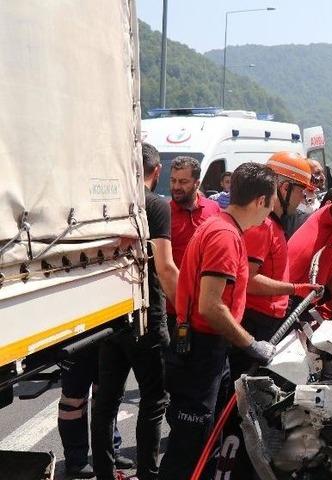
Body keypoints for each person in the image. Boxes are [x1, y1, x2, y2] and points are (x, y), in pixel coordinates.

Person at [159, 162, 278, 479]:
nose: (270, 212)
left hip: (208, 349)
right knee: (189, 447)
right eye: (272, 203)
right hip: (201, 349)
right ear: (260, 201)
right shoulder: (225, 236)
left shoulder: (222, 227)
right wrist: (252, 344)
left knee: (205, 441)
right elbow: (211, 306)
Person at [91, 143, 177, 480]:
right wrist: (184, 309)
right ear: (156, 172)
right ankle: (148, 473)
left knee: (106, 402)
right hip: (146, 315)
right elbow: (166, 267)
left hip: (109, 316)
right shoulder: (155, 206)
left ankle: (103, 472)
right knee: (154, 401)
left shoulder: (106, 205)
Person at [228, 152, 322, 380]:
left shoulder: (275, 225)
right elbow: (248, 281)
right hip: (257, 323)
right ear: (284, 188)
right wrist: (294, 289)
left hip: (267, 321)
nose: (302, 199)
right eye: (301, 191)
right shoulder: (264, 226)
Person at [57, 350, 130, 479]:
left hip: (104, 340)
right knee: (73, 402)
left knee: (105, 398)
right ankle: (76, 461)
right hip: (78, 343)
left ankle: (111, 452)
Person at [166, 156, 220, 329]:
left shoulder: (214, 209)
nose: (176, 187)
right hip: (172, 309)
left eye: (183, 182)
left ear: (197, 183)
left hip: (205, 308)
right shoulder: (164, 214)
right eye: (173, 180)